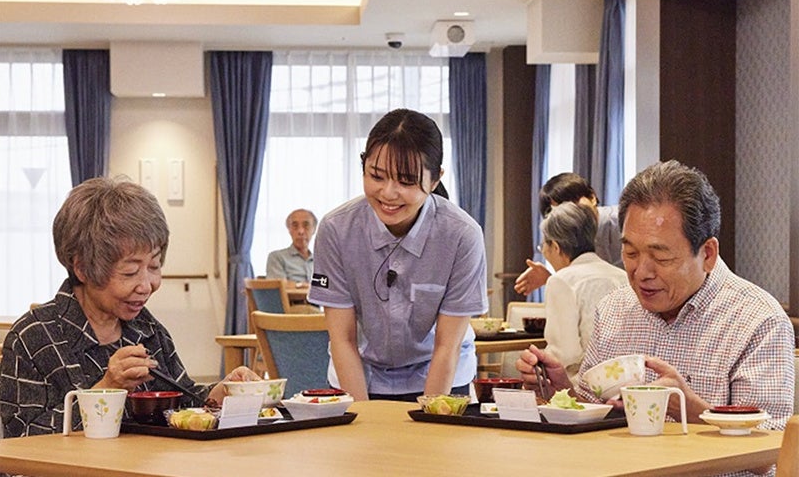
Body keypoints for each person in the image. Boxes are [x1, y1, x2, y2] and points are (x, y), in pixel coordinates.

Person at [516, 160, 795, 435]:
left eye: (661, 257)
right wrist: (562, 390)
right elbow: (598, 414)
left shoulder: (758, 320)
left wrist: (687, 408)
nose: (642, 273)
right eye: (630, 253)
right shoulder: (614, 309)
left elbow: (771, 444)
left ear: (707, 254)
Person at [0, 177, 260, 438]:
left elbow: (182, 403)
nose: (146, 285)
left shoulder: (147, 329)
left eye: (154, 266)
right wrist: (108, 388)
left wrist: (223, 393)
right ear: (82, 268)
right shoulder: (34, 337)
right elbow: (23, 437)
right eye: (130, 272)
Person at [308, 108, 488, 402]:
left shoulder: (461, 235)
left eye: (406, 181)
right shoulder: (336, 230)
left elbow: (447, 347)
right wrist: (362, 416)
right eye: (376, 176)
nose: (388, 193)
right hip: (360, 374)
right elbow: (342, 340)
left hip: (440, 373)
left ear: (435, 180)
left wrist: (431, 415)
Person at [536, 202, 627, 385]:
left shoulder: (561, 280)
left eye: (543, 246)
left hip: (583, 385)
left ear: (556, 247)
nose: (544, 252)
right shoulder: (623, 275)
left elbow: (564, 354)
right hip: (628, 380)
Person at [514, 172, 622, 296]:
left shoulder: (624, 222)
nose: (569, 212)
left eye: (573, 202)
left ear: (592, 197)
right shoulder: (564, 242)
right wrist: (551, 278)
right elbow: (584, 292)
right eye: (560, 208)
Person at [266, 208, 317, 285]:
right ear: (289, 229)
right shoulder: (277, 257)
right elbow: (278, 286)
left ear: (314, 229)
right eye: (295, 226)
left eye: (306, 225)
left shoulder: (321, 261)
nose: (300, 231)